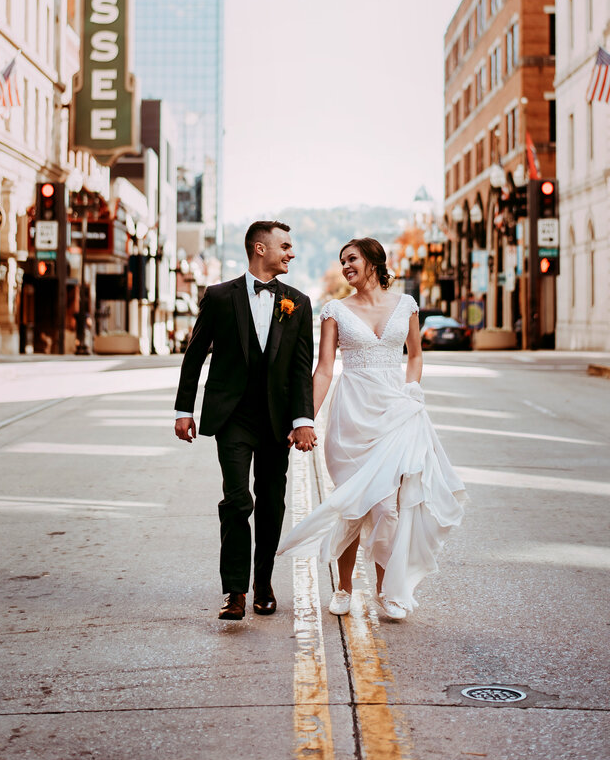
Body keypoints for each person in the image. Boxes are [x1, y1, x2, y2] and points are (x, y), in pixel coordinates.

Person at [278, 237, 466, 621]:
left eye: (352, 259)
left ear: (374, 261)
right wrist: (306, 420)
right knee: (353, 502)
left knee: (387, 506)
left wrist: (412, 392)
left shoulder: (406, 305)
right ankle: (344, 587)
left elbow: (415, 356)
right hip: (351, 415)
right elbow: (325, 369)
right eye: (342, 261)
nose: (346, 266)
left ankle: (387, 590)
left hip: (396, 411)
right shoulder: (335, 310)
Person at [174, 221, 316, 621]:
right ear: (259, 248)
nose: (290, 253)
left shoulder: (298, 302)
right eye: (284, 246)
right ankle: (234, 590)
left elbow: (301, 367)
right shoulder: (219, 296)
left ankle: (264, 583)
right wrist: (184, 410)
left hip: (277, 421)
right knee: (237, 502)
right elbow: (195, 353)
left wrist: (303, 419)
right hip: (232, 416)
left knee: (271, 504)